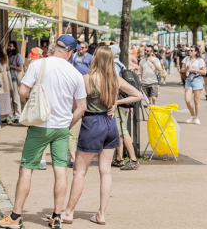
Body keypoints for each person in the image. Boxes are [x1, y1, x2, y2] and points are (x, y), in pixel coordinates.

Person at [0, 35, 87, 229]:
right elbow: (81, 107)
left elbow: (22, 91)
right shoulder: (75, 73)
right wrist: (68, 124)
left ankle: (16, 216)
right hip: (61, 128)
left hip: (40, 126)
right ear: (69, 52)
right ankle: (57, 217)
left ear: (55, 47)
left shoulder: (39, 65)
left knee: (26, 168)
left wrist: (38, 91)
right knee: (60, 170)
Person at [56, 47, 143, 225]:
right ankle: (101, 214)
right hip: (110, 124)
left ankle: (69, 212)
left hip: (92, 124)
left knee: (79, 172)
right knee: (106, 172)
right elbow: (138, 94)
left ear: (95, 59)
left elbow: (76, 106)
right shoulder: (115, 79)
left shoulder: (87, 79)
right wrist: (116, 102)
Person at [182, 45, 207, 125]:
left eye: (192, 50)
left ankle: (197, 117)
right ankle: (192, 115)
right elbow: (182, 70)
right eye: (189, 50)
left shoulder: (200, 60)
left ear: (196, 52)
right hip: (189, 79)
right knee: (187, 100)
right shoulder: (186, 59)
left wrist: (195, 70)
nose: (190, 52)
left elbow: (204, 72)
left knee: (196, 101)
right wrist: (186, 68)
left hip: (197, 79)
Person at [0, 43, 14, 124]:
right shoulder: (5, 57)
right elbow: (7, 67)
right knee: (6, 97)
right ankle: (7, 116)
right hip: (5, 78)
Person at [7, 41, 24, 123]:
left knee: (16, 98)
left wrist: (11, 66)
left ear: (14, 47)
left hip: (14, 79)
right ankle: (11, 116)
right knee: (9, 99)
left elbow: (21, 68)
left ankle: (18, 115)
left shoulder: (18, 56)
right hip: (8, 79)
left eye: (10, 46)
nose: (8, 48)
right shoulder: (8, 56)